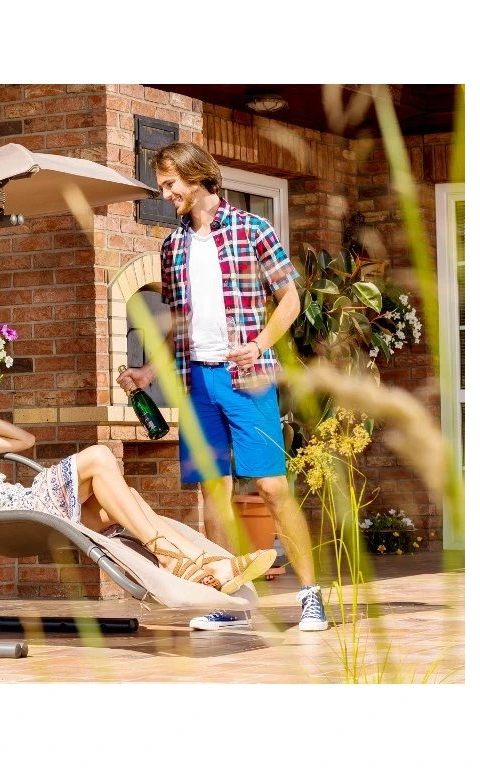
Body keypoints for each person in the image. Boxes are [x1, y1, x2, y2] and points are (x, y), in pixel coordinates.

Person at [115, 141, 329, 632]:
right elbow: (178, 324)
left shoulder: (253, 229)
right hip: (197, 381)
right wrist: (149, 373)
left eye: (170, 184)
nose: (165, 194)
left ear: (198, 178)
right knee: (214, 491)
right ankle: (232, 603)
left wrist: (259, 344)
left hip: (247, 378)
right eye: (162, 186)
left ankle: (310, 596)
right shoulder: (173, 247)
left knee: (272, 487)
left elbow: (290, 300)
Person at [0, 362, 277, 594]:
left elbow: (24, 440)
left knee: (124, 497)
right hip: (6, 513)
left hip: (22, 501)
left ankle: (206, 566)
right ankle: (181, 559)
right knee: (99, 456)